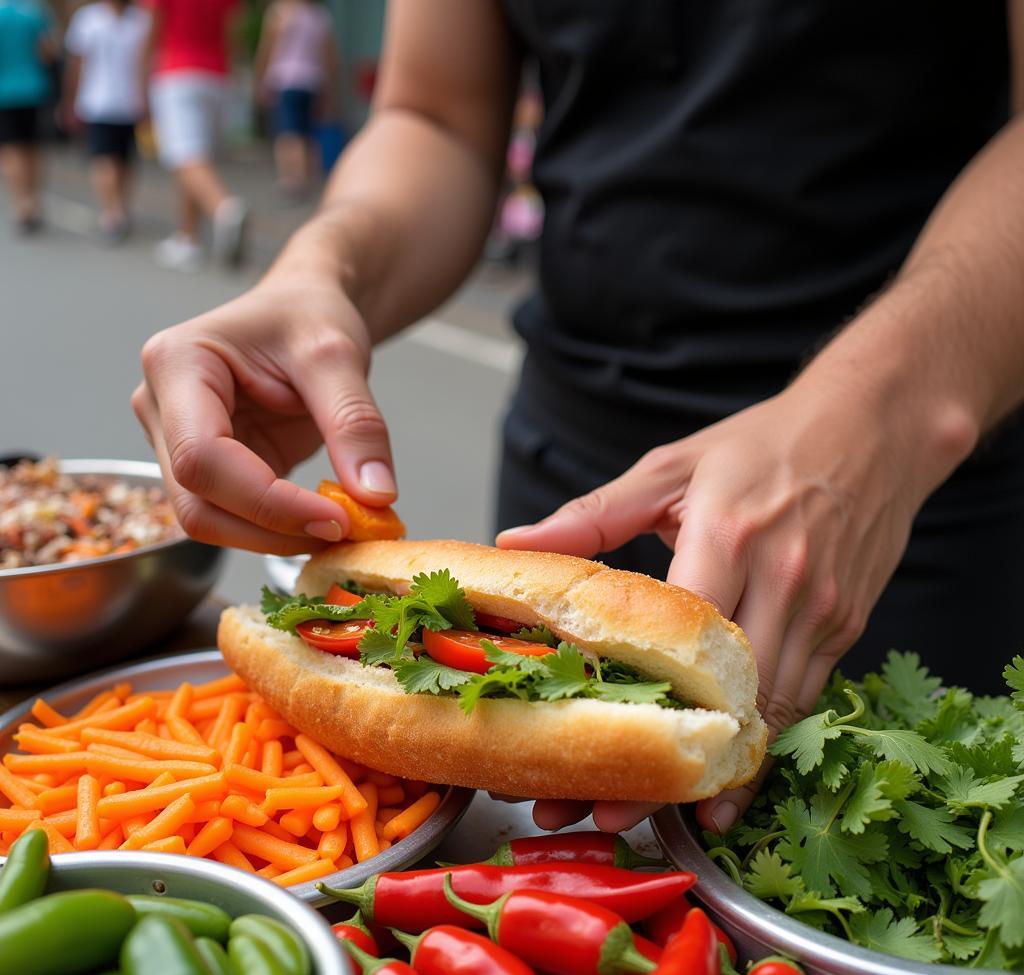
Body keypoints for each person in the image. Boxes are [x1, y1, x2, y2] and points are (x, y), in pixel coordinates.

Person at [133, 2, 1024, 836]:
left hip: (905, 489)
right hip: (569, 490)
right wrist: (319, 271)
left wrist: (881, 416)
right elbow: (436, 116)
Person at [142, 0, 248, 271]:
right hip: (217, 76)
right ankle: (189, 238)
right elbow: (233, 32)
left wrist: (141, 79)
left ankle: (224, 209)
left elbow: (151, 31)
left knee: (185, 157)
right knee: (196, 159)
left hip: (176, 73)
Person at [63, 0, 151, 243]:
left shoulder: (141, 19)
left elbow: (146, 63)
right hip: (99, 102)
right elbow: (77, 64)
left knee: (120, 159)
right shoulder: (89, 18)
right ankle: (114, 211)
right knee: (107, 158)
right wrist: (71, 98)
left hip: (127, 102)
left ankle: (117, 209)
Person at [254, 0, 339, 200]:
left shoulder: (279, 12)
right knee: (309, 132)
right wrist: (329, 87)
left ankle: (293, 179)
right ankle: (309, 177)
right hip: (312, 80)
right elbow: (329, 55)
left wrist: (260, 78)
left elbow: (266, 49)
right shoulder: (319, 16)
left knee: (288, 132)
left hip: (285, 80)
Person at [0, 0, 56, 233]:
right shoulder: (36, 12)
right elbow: (48, 53)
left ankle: (22, 204)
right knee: (32, 146)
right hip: (34, 89)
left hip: (4, 92)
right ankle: (33, 200)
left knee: (11, 149)